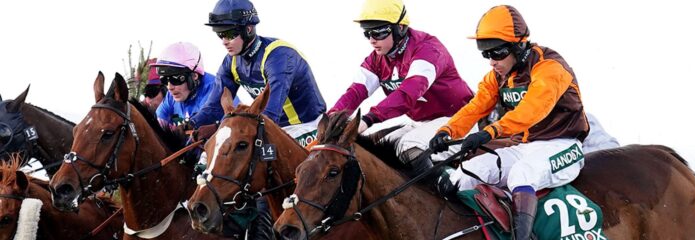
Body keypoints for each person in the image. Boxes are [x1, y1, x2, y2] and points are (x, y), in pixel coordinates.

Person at [429, 5, 590, 240]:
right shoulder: (498, 76)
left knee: (522, 174)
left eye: (497, 52)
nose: (491, 60)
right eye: (486, 54)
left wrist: (491, 132)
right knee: (466, 175)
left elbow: (532, 110)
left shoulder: (549, 67)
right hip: (525, 147)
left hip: (564, 146)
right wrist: (447, 132)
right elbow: (475, 107)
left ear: (520, 45)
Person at [329, 0, 473, 166]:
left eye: (378, 33)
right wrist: (332, 117)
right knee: (372, 151)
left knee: (406, 149)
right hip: (419, 123)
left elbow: (408, 93)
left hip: (458, 120)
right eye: (367, 33)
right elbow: (356, 92)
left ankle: (448, 187)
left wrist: (368, 119)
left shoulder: (428, 49)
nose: (372, 40)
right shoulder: (376, 59)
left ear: (401, 28)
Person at [193, 0, 326, 145]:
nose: (224, 41)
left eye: (230, 33)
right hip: (273, 126)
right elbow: (213, 106)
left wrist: (218, 126)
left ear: (249, 29)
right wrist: (191, 124)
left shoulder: (278, 56)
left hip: (307, 125)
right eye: (220, 34)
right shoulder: (230, 62)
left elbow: (271, 113)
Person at [153, 42, 232, 131]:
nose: (169, 87)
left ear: (194, 76)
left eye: (175, 79)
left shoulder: (215, 90)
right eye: (164, 80)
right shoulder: (171, 95)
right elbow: (156, 126)